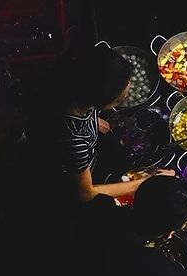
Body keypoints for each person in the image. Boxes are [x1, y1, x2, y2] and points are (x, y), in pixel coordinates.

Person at [30, 43, 174, 205]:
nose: (126, 96)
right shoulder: (71, 139)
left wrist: (94, 122)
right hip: (71, 181)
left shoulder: (72, 90)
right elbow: (86, 193)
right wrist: (145, 182)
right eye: (121, 98)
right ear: (101, 100)